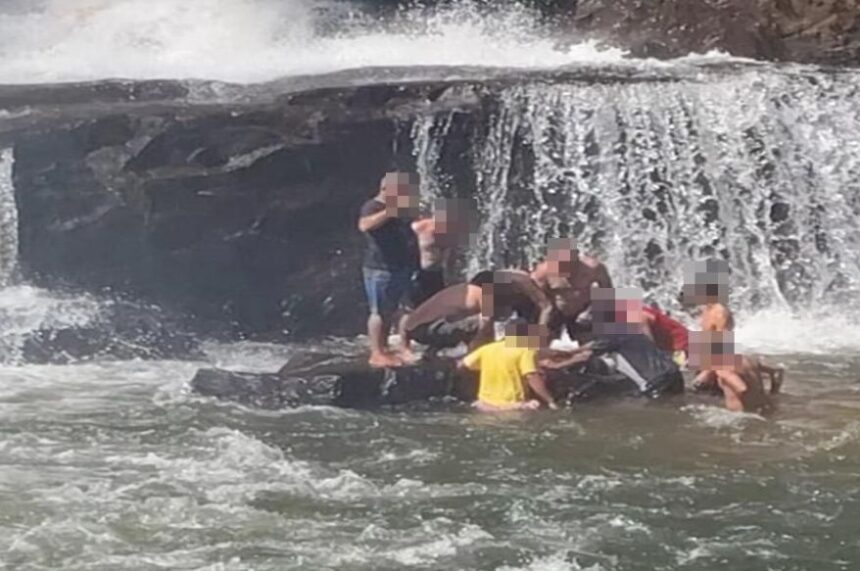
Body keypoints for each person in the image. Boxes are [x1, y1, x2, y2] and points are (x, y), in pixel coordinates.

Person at [403, 269, 554, 353]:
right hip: (426, 331)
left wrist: (404, 346)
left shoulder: (463, 291)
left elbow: (405, 319)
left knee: (470, 323)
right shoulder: (485, 295)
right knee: (484, 325)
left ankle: (434, 353)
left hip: (417, 331)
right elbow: (486, 325)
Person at [358, 172, 420, 368]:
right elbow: (364, 225)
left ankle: (404, 347)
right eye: (401, 190)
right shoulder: (373, 206)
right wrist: (390, 211)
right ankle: (377, 353)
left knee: (407, 308)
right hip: (381, 268)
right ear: (387, 189)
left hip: (404, 265)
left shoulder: (403, 208)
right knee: (380, 312)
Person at [457, 321, 559, 411]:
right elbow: (531, 376)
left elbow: (462, 365)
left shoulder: (487, 349)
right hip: (512, 406)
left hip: (485, 405)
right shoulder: (526, 350)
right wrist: (550, 400)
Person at [531, 238, 613, 342]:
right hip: (556, 312)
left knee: (592, 340)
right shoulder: (543, 272)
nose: (563, 266)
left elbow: (608, 293)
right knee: (540, 339)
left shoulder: (594, 268)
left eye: (568, 262)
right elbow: (540, 300)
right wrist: (542, 325)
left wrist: (592, 311)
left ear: (577, 256)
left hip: (583, 310)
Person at [688, 331, 784, 413]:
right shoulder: (747, 360)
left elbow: (742, 388)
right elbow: (777, 373)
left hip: (743, 416)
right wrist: (773, 392)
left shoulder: (723, 370)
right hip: (766, 407)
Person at [409, 198, 475, 308]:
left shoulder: (415, 226)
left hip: (418, 269)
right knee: (432, 304)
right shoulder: (438, 229)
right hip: (431, 272)